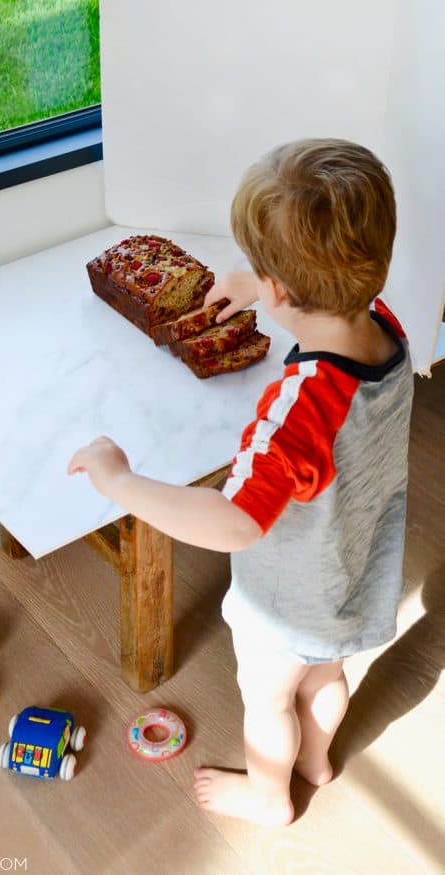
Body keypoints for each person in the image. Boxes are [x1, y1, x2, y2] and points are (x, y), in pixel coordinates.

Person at [67, 139, 414, 826]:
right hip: (358, 558)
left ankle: (270, 794)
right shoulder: (389, 330)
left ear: (284, 288)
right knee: (326, 674)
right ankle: (318, 758)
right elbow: (321, 292)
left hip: (290, 598)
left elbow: (236, 520)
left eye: (264, 275)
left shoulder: (299, 408)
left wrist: (120, 480)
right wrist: (257, 284)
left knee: (270, 696)